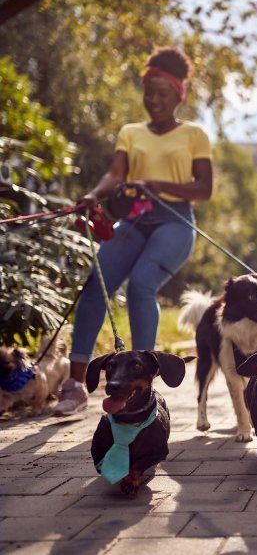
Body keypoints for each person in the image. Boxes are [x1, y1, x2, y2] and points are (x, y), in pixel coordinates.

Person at [54, 46, 213, 416]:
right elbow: (115, 175)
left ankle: (142, 390)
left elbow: (203, 189)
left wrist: (158, 184)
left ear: (178, 96)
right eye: (149, 93)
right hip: (135, 220)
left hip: (175, 221)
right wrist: (93, 195)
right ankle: (75, 385)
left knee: (142, 284)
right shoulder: (131, 132)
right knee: (97, 283)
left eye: (163, 94)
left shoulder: (194, 134)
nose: (154, 101)